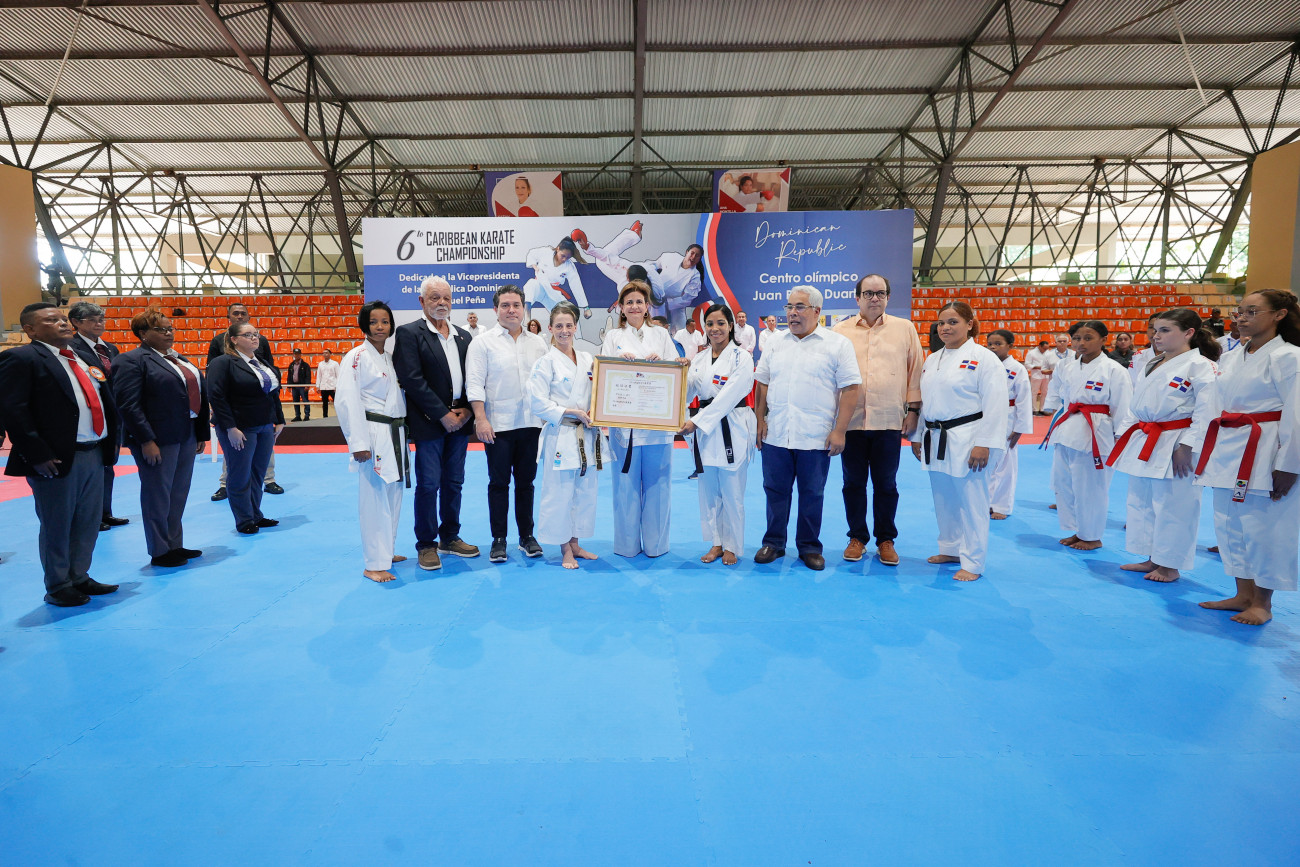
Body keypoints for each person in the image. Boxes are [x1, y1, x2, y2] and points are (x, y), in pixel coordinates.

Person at [0, 303, 121, 606]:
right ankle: (58, 585)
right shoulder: (21, 358)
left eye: (63, 318)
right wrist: (36, 454)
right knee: (58, 524)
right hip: (55, 457)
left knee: (87, 522)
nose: (63, 323)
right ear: (30, 329)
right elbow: (13, 410)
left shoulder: (80, 356)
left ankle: (79, 576)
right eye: (51, 320)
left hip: (94, 450)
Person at [1195, 290, 1300, 625]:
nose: (1241, 317)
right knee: (1230, 524)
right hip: (1229, 446)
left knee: (1263, 527)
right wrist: (1205, 451)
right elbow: (1215, 406)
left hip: (1266, 448)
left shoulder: (1289, 357)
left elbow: (1296, 415)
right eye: (1239, 311)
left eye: (1252, 311)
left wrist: (1289, 465)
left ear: (1279, 315)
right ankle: (1242, 594)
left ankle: (1262, 603)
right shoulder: (1231, 357)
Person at [1109, 308, 1220, 584]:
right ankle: (1152, 557)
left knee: (1175, 504)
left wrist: (1188, 445)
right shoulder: (1153, 362)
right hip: (1146, 436)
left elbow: (1208, 410)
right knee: (1143, 501)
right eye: (1155, 330)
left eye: (1165, 330)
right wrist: (1123, 434)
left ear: (1189, 333)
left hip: (1177, 438)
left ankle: (1170, 565)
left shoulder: (1201, 366)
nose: (1156, 336)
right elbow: (1136, 404)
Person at [754, 286, 861, 570]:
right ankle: (773, 542)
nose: (792, 313)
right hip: (777, 433)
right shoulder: (775, 342)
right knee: (774, 490)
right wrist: (759, 419)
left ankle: (809, 546)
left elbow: (851, 388)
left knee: (812, 493)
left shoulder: (837, 344)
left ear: (817, 311)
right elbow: (762, 382)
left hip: (816, 436)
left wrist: (840, 430)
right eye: (789, 307)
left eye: (799, 307)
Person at [911, 303, 1008, 581]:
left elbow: (996, 404)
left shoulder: (984, 358)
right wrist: (918, 435)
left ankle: (973, 562)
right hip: (936, 436)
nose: (945, 328)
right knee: (944, 498)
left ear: (969, 324)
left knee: (972, 502)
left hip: (969, 437)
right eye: (941, 323)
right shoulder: (933, 359)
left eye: (953, 322)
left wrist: (984, 443)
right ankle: (950, 548)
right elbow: (927, 401)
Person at [831, 274, 922, 565]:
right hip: (851, 422)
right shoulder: (840, 331)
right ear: (857, 298)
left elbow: (915, 371)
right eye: (868, 293)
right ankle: (857, 537)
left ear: (888, 297)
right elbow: (830, 376)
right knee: (852, 484)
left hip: (888, 420)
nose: (874, 298)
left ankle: (886, 539)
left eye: (880, 293)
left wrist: (913, 411)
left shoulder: (904, 328)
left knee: (886, 484)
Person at [394, 276, 479, 570]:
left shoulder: (463, 336)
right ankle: (427, 544)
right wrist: (443, 415)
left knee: (454, 482)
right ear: (421, 301)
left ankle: (450, 537)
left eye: (446, 298)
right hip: (430, 422)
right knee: (429, 484)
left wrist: (466, 411)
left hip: (460, 421)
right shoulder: (409, 333)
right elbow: (411, 380)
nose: (442, 303)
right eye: (434, 298)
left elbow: (474, 378)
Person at [113, 307, 209, 567]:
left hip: (186, 432)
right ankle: (159, 550)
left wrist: (199, 433)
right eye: (160, 329)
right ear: (143, 333)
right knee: (158, 494)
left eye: (170, 328)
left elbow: (197, 396)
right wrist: (146, 440)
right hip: (157, 438)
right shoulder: (131, 360)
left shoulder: (179, 359)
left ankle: (174, 544)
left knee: (178, 492)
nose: (168, 333)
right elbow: (129, 405)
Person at [466, 285, 548, 563]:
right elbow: (474, 383)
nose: (511, 310)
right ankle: (499, 539)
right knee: (498, 484)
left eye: (516, 305)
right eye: (505, 305)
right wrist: (481, 419)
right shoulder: (482, 343)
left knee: (527, 483)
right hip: (497, 426)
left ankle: (527, 536)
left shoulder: (538, 343)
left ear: (524, 308)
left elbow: (545, 383)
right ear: (495, 309)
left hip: (531, 424)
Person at [600, 281, 682, 558]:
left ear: (647, 307)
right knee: (625, 486)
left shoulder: (661, 334)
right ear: (621, 308)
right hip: (624, 425)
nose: (634, 306)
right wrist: (617, 361)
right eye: (629, 302)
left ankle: (657, 545)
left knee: (659, 486)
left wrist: (665, 364)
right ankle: (627, 546)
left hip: (657, 423)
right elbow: (603, 375)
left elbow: (677, 373)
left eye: (639, 301)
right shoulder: (613, 337)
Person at [528, 302, 606, 569]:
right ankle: (564, 549)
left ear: (575, 327)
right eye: (559, 326)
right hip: (561, 432)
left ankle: (575, 543)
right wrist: (569, 411)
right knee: (560, 493)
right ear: (550, 328)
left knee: (583, 492)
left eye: (569, 325)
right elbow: (537, 402)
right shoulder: (545, 363)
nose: (564, 330)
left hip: (587, 434)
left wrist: (598, 409)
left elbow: (600, 389)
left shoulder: (586, 358)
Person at [1041, 320, 1132, 550]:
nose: (1081, 343)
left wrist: (1120, 437)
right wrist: (1052, 410)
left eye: (1088, 338)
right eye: (1077, 338)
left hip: (1096, 432)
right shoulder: (1067, 367)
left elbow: (1123, 406)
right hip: (1067, 427)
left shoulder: (1114, 370)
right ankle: (1078, 530)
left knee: (1091, 488)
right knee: (1065, 484)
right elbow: (1058, 392)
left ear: (1104, 340)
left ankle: (1092, 536)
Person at [337, 301, 409, 583]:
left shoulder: (389, 358)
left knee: (393, 494)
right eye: (374, 322)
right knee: (374, 498)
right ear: (364, 325)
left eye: (385, 322)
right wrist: (358, 443)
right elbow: (346, 401)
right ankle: (373, 563)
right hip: (373, 433)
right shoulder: (355, 357)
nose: (380, 327)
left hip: (395, 432)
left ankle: (386, 552)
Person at [681, 303, 756, 565]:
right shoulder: (700, 359)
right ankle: (716, 542)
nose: (715, 329)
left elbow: (728, 397)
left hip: (732, 426)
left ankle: (732, 545)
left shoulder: (741, 357)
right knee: (709, 490)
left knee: (732, 491)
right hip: (705, 431)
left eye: (721, 323)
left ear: (731, 325)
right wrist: (678, 375)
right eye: (710, 324)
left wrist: (696, 421)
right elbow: (688, 391)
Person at [207, 321, 284, 535]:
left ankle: (255, 514)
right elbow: (216, 396)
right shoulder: (223, 363)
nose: (254, 338)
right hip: (239, 427)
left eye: (256, 334)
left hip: (264, 425)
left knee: (258, 473)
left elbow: (273, 393)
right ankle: (244, 520)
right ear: (234, 339)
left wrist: (279, 420)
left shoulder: (261, 363)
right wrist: (230, 427)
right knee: (240, 474)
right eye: (248, 335)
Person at [571, 224, 704, 331]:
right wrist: (587, 247)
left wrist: (665, 311)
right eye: (691, 253)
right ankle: (633, 235)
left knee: (671, 329)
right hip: (642, 284)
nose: (692, 257)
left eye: (696, 255)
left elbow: (681, 302)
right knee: (601, 261)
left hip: (667, 302)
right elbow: (608, 257)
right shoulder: (629, 270)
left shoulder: (657, 294)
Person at [68, 301, 127, 531]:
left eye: (101, 319)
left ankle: (105, 512)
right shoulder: (70, 347)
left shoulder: (110, 348)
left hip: (112, 414)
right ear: (76, 322)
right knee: (88, 470)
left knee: (108, 464)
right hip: (89, 414)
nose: (99, 324)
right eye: (92, 320)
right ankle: (89, 517)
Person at [985, 329, 1035, 520]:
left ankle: (1002, 506)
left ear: (1010, 346)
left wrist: (1019, 428)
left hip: (1008, 417)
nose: (993, 347)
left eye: (998, 344)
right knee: (986, 463)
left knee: (1006, 465)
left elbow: (1024, 399)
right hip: (985, 416)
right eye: (990, 344)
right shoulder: (985, 365)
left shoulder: (1017, 369)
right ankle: (986, 502)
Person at [523, 237, 591, 319]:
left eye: (567, 257)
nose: (564, 259)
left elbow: (576, 285)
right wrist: (535, 267)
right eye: (563, 256)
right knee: (531, 284)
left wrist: (586, 308)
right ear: (558, 249)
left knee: (568, 316)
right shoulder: (546, 252)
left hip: (553, 292)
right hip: (539, 286)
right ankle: (527, 317)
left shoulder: (569, 266)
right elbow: (532, 254)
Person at [1128, 314, 1161, 386]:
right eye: (1151, 327)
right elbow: (1130, 385)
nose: (1154, 331)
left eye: (1160, 327)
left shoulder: (1178, 356)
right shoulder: (1138, 356)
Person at [1024, 340, 1053, 415]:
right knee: (1034, 393)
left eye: (1047, 348)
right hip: (1036, 375)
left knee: (1045, 393)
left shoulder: (1049, 353)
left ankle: (1042, 409)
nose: (1045, 350)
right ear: (1039, 346)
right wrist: (1036, 367)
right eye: (1044, 348)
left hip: (1046, 375)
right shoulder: (1031, 353)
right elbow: (1027, 364)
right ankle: (1034, 409)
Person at [287, 348, 312, 421]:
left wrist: (307, 385)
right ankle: (297, 416)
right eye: (295, 354)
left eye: (298, 354)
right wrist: (289, 385)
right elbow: (289, 376)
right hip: (294, 386)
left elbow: (308, 376)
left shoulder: (305, 365)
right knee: (295, 401)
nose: (296, 355)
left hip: (302, 386)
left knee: (305, 400)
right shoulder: (291, 365)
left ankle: (307, 415)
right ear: (293, 355)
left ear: (300, 355)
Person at [315, 348, 340, 417]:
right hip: (324, 387)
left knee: (337, 403)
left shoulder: (335, 364)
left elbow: (338, 375)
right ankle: (325, 417)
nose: (325, 354)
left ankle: (339, 416)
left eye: (326, 353)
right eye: (324, 353)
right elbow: (319, 376)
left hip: (332, 387)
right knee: (324, 403)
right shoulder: (320, 364)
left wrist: (337, 386)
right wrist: (318, 386)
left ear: (330, 354)